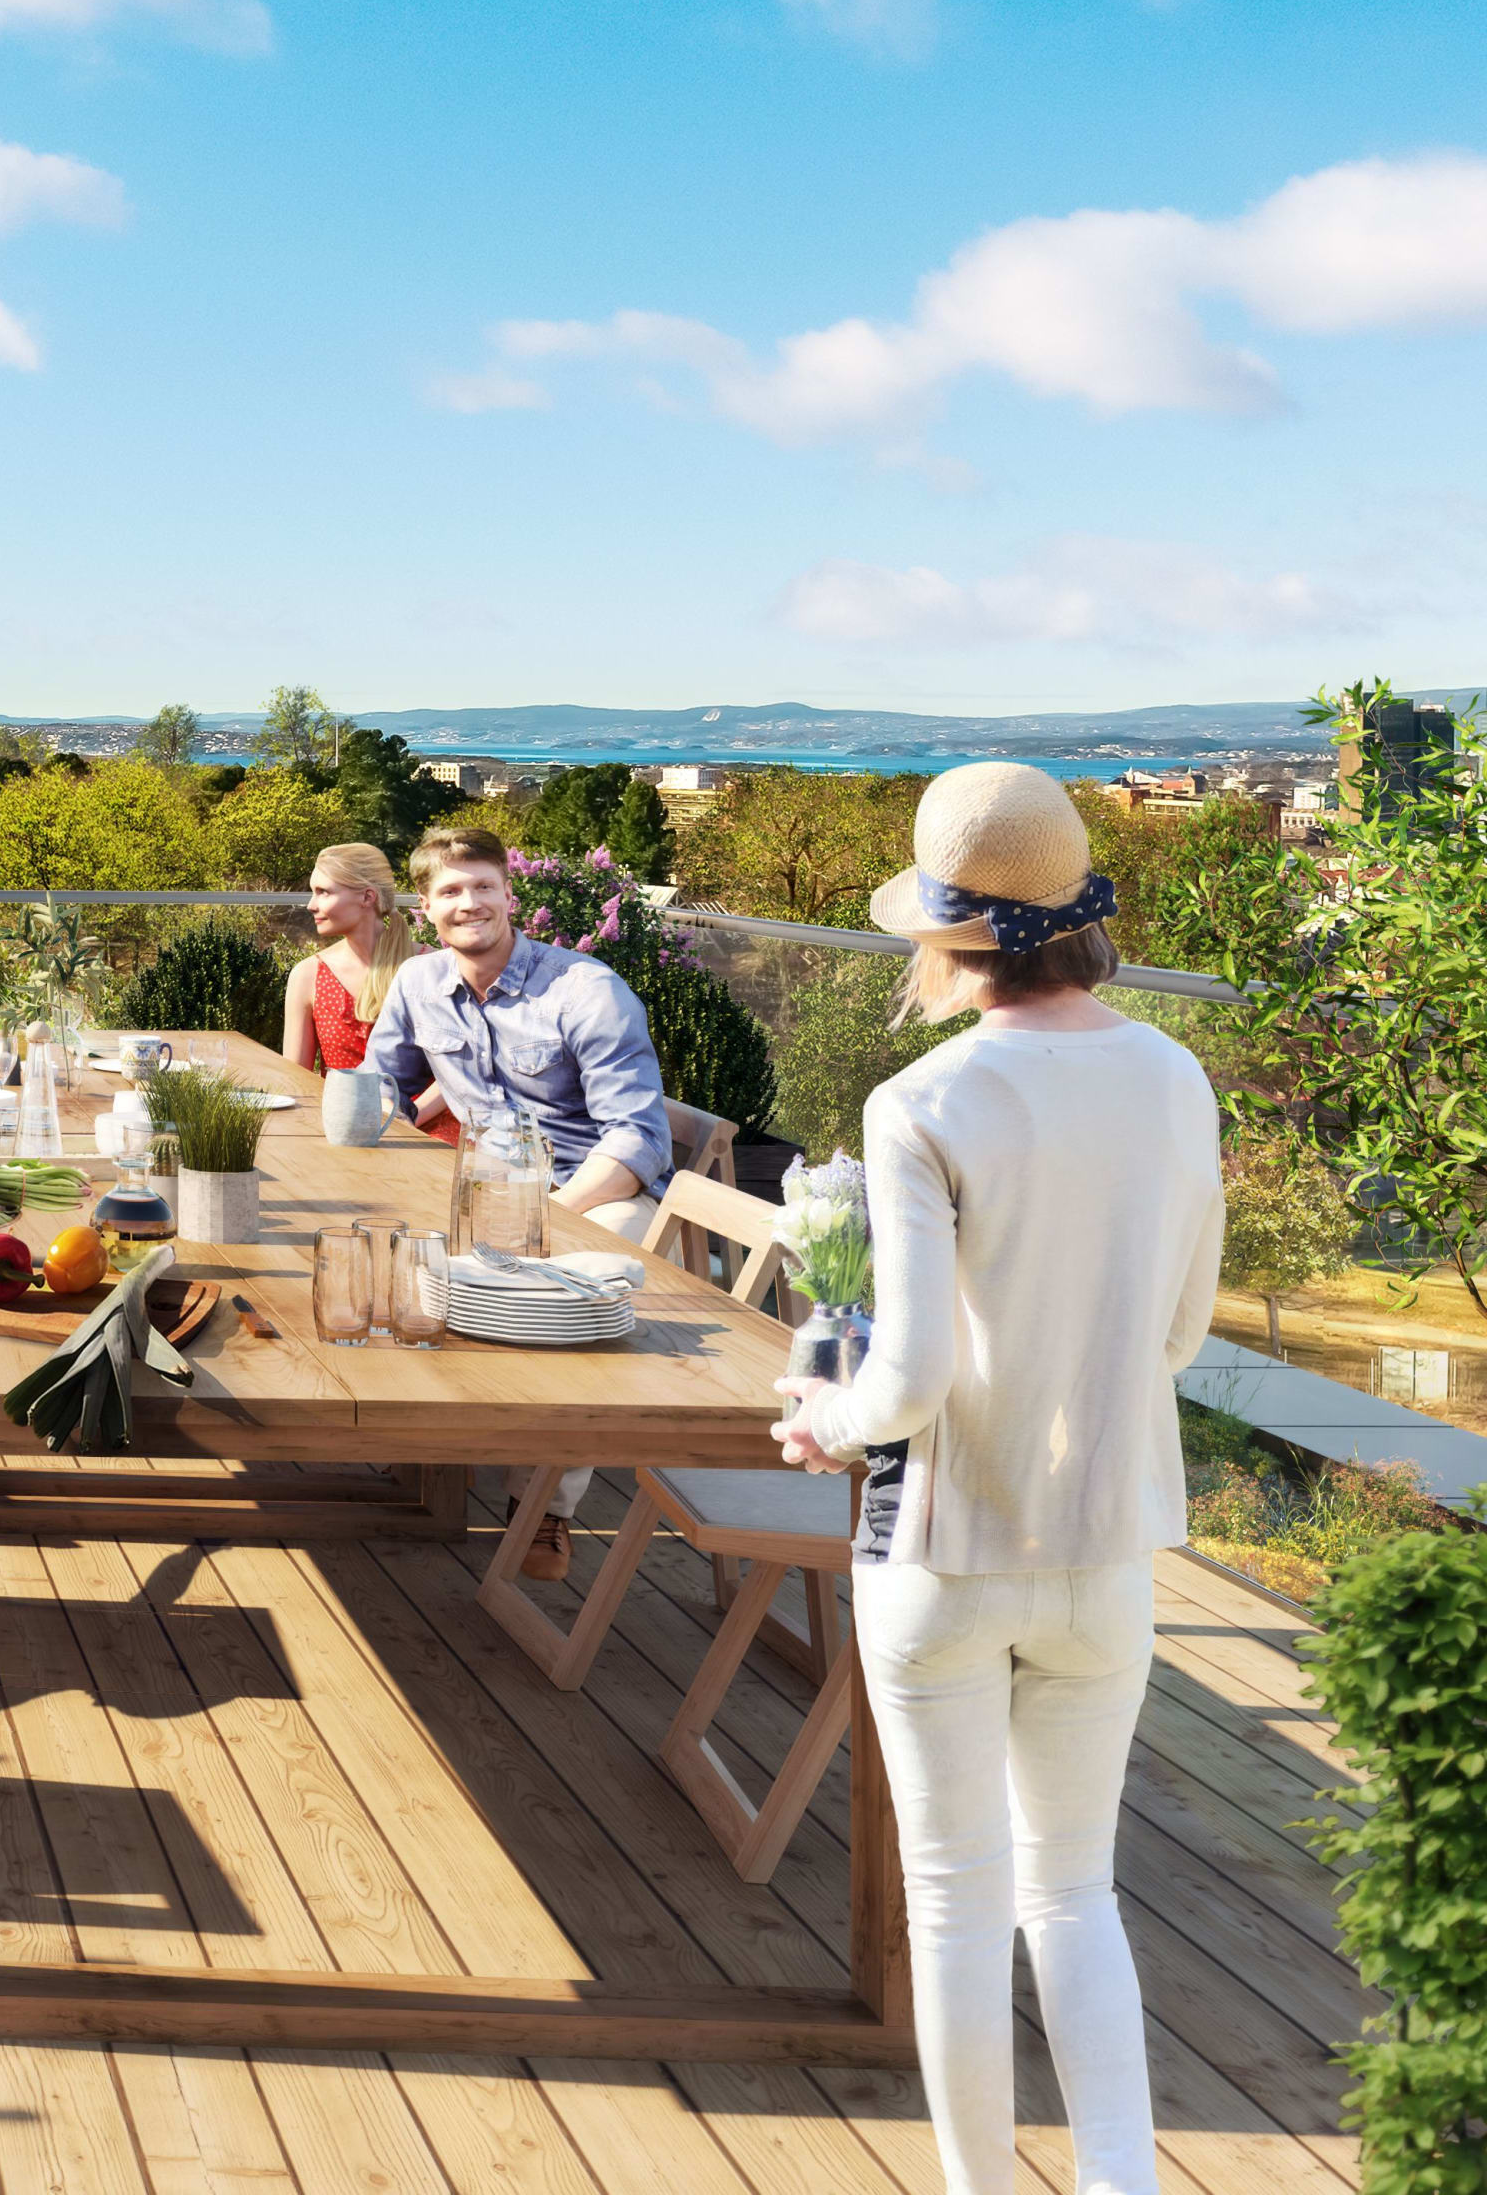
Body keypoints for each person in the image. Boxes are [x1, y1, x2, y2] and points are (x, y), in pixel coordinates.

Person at [770, 763, 1209, 2195]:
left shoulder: (925, 1099)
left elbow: (903, 1384)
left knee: (958, 1908)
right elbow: (1183, 1332)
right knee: (1074, 1892)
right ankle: (1124, 2182)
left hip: (944, 1552)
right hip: (1106, 1552)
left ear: (948, 937)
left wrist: (826, 1420)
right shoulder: (1172, 1074)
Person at [363, 821, 672, 1579]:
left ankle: (545, 1510)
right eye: (450, 892)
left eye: (482, 887)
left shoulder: (586, 990)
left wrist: (555, 1212)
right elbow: (382, 1083)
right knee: (370, 1239)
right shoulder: (416, 984)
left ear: (510, 893)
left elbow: (637, 1140)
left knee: (583, 1300)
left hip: (591, 1190)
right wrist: (372, 1141)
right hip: (480, 1182)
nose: (469, 903)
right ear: (424, 910)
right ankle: (430, 1442)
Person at [281, 840, 438, 1129]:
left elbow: (459, 1073)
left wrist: (404, 1119)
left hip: (429, 1130)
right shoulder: (307, 976)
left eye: (323, 892)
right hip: (344, 1127)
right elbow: (296, 1083)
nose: (310, 905)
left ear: (367, 897)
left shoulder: (433, 968)